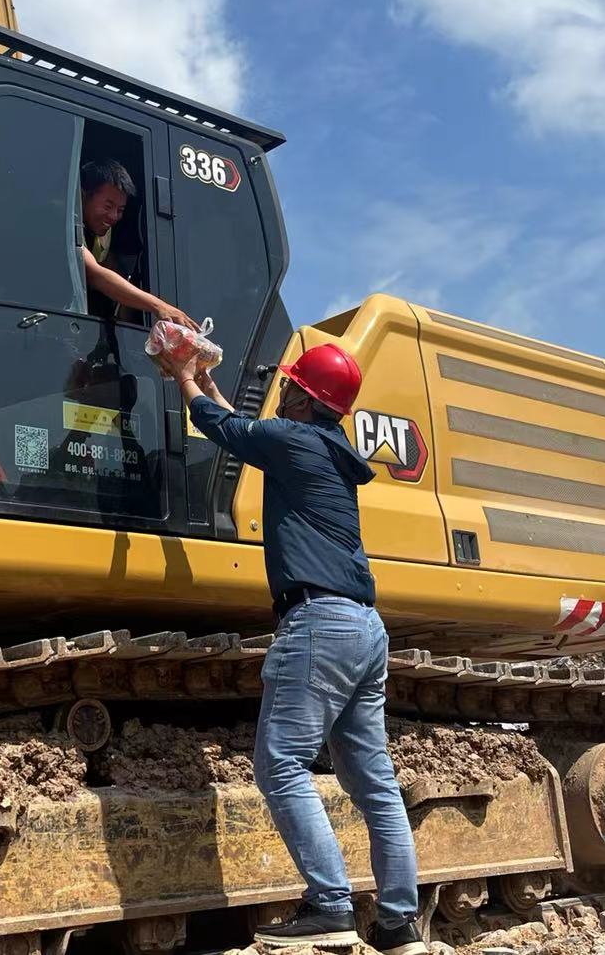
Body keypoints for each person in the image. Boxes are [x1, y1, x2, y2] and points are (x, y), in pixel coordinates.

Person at [169, 345, 424, 955]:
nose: (281, 394)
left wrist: (183, 376)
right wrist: (207, 380)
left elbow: (225, 428)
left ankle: (330, 905)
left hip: (319, 623)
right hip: (365, 628)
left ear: (306, 400)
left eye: (289, 388)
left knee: (280, 765)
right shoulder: (324, 449)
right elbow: (246, 429)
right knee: (375, 785)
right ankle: (399, 925)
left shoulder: (293, 440)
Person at [79, 159, 193, 327]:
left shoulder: (105, 234)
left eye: (120, 210)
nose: (114, 217)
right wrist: (159, 306)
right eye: (108, 206)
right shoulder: (64, 221)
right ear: (83, 196)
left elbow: (111, 271)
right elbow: (94, 273)